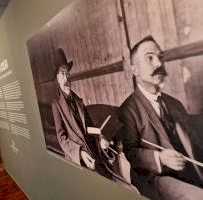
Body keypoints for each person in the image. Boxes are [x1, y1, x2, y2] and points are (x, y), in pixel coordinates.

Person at [119, 36, 203, 199]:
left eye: (160, 57)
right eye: (149, 58)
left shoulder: (175, 104)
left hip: (189, 172)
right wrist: (160, 158)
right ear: (135, 70)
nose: (158, 64)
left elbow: (195, 143)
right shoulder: (128, 109)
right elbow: (131, 153)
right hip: (155, 177)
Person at [51, 48, 136, 191]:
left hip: (92, 148)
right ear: (57, 78)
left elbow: (90, 127)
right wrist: (79, 153)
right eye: (62, 73)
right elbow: (61, 138)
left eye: (67, 73)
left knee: (111, 180)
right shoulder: (56, 104)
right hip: (77, 155)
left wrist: (101, 137)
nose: (66, 78)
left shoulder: (78, 100)